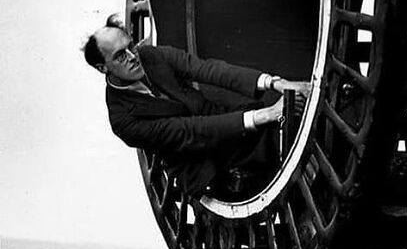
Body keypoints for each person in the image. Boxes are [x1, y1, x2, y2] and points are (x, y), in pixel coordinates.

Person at [83, 15, 310, 198]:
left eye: (130, 45)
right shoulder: (123, 120)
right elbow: (189, 131)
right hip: (201, 159)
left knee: (275, 126)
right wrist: (265, 115)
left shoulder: (151, 56)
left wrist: (275, 82)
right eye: (121, 56)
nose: (133, 56)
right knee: (271, 134)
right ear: (103, 68)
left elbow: (206, 69)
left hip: (221, 125)